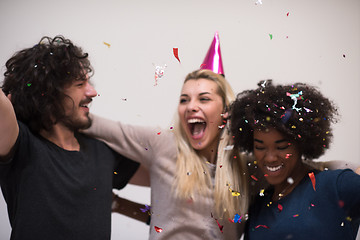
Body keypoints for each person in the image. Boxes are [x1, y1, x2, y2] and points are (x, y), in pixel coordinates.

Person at [84, 33, 250, 239]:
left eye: (204, 99)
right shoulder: (163, 143)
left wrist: (120, 205)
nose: (191, 107)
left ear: (226, 111)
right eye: (184, 100)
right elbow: (92, 125)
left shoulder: (247, 166)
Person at [0, 35, 145, 240]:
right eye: (80, 84)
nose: (93, 92)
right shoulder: (21, 146)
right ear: (48, 93)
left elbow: (169, 175)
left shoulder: (102, 153)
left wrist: (126, 208)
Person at [230, 80, 360, 239]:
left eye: (282, 147)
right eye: (260, 147)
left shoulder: (335, 185)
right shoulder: (259, 206)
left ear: (301, 143)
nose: (270, 158)